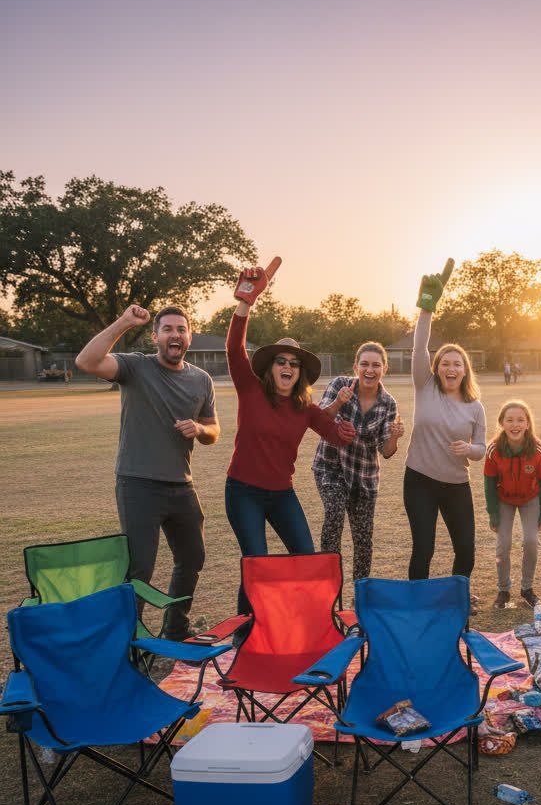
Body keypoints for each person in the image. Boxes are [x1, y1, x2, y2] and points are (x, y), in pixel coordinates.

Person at [75, 303, 220, 639]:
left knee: (192, 557)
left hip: (181, 486)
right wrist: (124, 322)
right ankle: (130, 639)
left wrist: (200, 429)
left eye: (181, 329)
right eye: (167, 329)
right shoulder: (135, 367)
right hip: (138, 484)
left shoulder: (201, 379)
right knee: (140, 567)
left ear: (189, 337)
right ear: (155, 336)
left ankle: (175, 628)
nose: (175, 335)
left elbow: (214, 431)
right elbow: (86, 361)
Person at [226, 260, 355, 612]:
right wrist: (245, 303)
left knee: (305, 557)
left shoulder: (304, 407)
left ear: (300, 374)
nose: (287, 366)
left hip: (281, 494)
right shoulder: (250, 389)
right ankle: (246, 631)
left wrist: (344, 433)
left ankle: (301, 623)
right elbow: (234, 348)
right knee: (256, 563)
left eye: (294, 364)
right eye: (281, 361)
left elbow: (333, 434)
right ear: (270, 368)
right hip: (243, 492)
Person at [404, 258, 487, 582]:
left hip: (456, 485)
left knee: (466, 550)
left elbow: (481, 449)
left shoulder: (474, 407)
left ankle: (456, 598)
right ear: (437, 368)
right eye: (445, 363)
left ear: (465, 370)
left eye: (457, 364)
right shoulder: (425, 386)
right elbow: (419, 346)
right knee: (423, 549)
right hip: (420, 481)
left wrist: (469, 449)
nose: (451, 368)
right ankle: (417, 602)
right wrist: (427, 308)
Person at [312, 342, 404, 585]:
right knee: (334, 514)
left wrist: (394, 437)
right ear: (356, 366)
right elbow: (320, 420)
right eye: (364, 364)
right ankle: (330, 588)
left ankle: (362, 594)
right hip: (331, 467)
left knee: (363, 540)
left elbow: (386, 451)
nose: (369, 370)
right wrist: (338, 402)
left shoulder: (388, 403)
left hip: (364, 477)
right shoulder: (340, 385)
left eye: (376, 365)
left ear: (384, 368)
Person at [484, 400, 541, 609]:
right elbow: (489, 484)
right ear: (502, 423)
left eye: (520, 420)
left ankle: (527, 588)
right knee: (503, 544)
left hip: (530, 499)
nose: (515, 425)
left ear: (528, 424)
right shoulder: (493, 449)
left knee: (531, 541)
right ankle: (503, 590)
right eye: (510, 420)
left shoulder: (539, 450)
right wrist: (493, 514)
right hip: (504, 499)